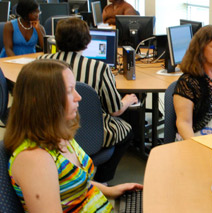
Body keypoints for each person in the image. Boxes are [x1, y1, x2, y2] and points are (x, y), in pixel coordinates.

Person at [4, 60, 143, 212]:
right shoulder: (35, 160)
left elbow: (75, 180)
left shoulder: (59, 134)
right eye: (69, 91)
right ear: (43, 101)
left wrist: (111, 190)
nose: (79, 97)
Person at [38, 18, 138, 182]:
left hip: (49, 129)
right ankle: (102, 178)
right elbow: (115, 110)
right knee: (126, 130)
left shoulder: (41, 63)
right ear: (87, 41)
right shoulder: (99, 68)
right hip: (91, 132)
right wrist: (127, 100)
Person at [173, 25, 212, 140]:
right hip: (195, 140)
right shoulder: (188, 82)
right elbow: (184, 123)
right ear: (200, 49)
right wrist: (196, 148)